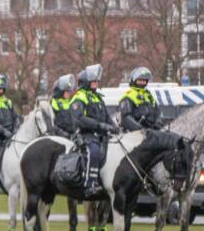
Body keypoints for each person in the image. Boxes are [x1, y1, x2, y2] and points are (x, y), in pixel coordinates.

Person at [73, 64, 118, 197]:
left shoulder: (97, 97)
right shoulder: (79, 97)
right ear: (85, 82)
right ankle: (89, 184)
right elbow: (79, 119)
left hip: (101, 135)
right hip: (86, 135)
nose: (96, 84)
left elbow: (106, 116)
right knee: (94, 151)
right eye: (93, 81)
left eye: (96, 81)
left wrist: (114, 127)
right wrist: (100, 126)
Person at [119, 66, 163, 132]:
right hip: (135, 134)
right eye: (140, 80)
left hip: (151, 131)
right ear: (134, 80)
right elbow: (126, 118)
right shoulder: (128, 95)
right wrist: (140, 129)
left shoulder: (148, 95)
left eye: (144, 80)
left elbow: (157, 111)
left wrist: (158, 121)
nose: (142, 82)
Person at [49, 74, 80, 139]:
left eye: (69, 91)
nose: (69, 93)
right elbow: (50, 124)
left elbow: (73, 120)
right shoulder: (53, 103)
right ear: (60, 91)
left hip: (71, 137)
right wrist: (61, 133)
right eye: (67, 91)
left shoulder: (68, 102)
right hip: (59, 139)